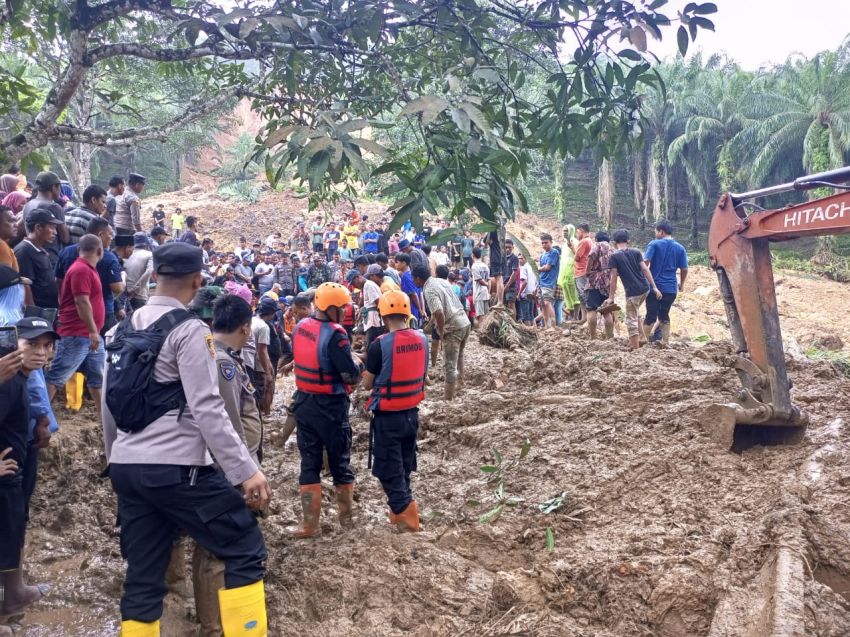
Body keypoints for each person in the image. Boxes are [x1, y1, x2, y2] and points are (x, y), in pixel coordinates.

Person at [102, 242, 270, 636]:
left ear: (155, 275)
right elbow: (207, 407)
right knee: (243, 543)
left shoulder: (119, 329)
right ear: (197, 281)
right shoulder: (191, 330)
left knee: (143, 575)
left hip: (127, 467)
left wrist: (116, 461)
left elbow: (109, 407)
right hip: (177, 468)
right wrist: (246, 471)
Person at [285, 282, 363, 538]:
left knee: (309, 463)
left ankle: (310, 526)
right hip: (331, 406)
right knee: (340, 462)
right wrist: (357, 364)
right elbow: (350, 376)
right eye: (342, 308)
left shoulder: (300, 327)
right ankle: (347, 521)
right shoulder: (336, 335)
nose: (345, 313)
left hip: (304, 403)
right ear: (332, 309)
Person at [0, 316, 58, 623]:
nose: (41, 352)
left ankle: (14, 595)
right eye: (31, 344)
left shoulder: (19, 377)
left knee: (13, 531)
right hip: (5, 473)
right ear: (12, 345)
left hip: (17, 464)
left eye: (47, 345)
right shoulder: (6, 381)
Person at [361, 290, 428, 532]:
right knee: (403, 466)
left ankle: (407, 515)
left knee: (389, 469)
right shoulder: (422, 340)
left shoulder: (380, 345)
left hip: (388, 417)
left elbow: (367, 384)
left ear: (383, 315)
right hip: (411, 413)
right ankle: (401, 513)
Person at [44, 234, 106, 414]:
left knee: (97, 379)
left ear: (79, 249)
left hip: (88, 335)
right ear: (100, 251)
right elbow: (81, 301)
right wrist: (93, 331)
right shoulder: (81, 270)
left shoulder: (85, 268)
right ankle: (36, 419)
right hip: (77, 334)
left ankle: (104, 420)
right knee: (56, 378)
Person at [56, 217, 125, 335]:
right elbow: (117, 288)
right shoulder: (108, 257)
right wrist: (123, 277)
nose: (111, 238)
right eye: (110, 234)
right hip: (100, 313)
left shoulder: (66, 252)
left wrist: (63, 302)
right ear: (100, 235)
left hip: (71, 313)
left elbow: (59, 281)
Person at [414, 265, 470, 400]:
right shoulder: (440, 281)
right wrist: (429, 326)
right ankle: (460, 383)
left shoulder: (428, 289)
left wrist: (440, 330)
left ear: (418, 278)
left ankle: (448, 397)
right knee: (459, 356)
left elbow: (439, 312)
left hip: (453, 326)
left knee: (449, 364)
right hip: (464, 321)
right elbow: (438, 311)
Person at [606, 229, 662, 349]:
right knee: (635, 312)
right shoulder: (636, 252)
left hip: (633, 292)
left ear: (614, 242)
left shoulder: (614, 256)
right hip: (645, 288)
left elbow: (613, 278)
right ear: (628, 241)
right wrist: (655, 287)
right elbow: (645, 269)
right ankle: (642, 338)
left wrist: (611, 297)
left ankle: (636, 348)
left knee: (630, 320)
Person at [643, 220, 688, 347]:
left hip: (654, 286)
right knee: (664, 314)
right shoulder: (680, 248)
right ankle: (666, 342)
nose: (655, 234)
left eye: (656, 232)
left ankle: (643, 341)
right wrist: (682, 284)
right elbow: (684, 269)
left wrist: (642, 278)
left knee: (651, 314)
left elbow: (646, 262)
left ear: (661, 232)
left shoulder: (654, 244)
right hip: (671, 288)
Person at [15, 208, 63, 309]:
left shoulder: (40, 249)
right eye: (52, 227)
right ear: (38, 227)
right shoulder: (24, 251)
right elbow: (25, 287)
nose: (55, 232)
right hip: (38, 314)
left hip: (49, 310)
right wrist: (34, 316)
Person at [21, 172, 69, 265]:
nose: (60, 191)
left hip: (31, 252)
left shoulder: (28, 204)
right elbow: (65, 238)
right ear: (54, 187)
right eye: (59, 187)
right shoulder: (54, 207)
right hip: (50, 257)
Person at [585, 231, 615, 340]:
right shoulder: (612, 250)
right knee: (606, 311)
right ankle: (609, 337)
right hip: (607, 283)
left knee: (591, 309)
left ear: (597, 239)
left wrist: (587, 271)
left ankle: (593, 337)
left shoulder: (596, 246)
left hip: (594, 282)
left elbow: (591, 257)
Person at [125, 232, 154, 311]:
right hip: (139, 295)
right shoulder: (149, 254)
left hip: (124, 295)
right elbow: (149, 271)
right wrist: (135, 289)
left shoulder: (126, 254)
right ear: (146, 244)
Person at [559, 224, 581, 321]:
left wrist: (572, 247)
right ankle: (572, 317)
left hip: (572, 270)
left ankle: (576, 317)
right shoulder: (563, 245)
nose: (564, 233)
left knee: (574, 294)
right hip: (564, 272)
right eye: (563, 231)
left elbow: (578, 256)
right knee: (567, 294)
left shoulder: (576, 242)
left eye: (566, 231)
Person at [538, 233, 559, 328]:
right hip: (541, 282)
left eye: (546, 243)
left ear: (551, 242)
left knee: (547, 302)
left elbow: (547, 267)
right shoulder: (542, 255)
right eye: (542, 243)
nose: (544, 245)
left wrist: (537, 269)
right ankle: (547, 326)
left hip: (549, 282)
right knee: (542, 304)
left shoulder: (554, 252)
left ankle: (553, 326)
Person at [573, 223, 593, 325]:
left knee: (584, 295)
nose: (576, 234)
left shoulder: (584, 241)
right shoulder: (589, 241)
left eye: (577, 232)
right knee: (582, 296)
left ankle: (588, 318)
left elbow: (577, 257)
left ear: (581, 230)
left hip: (581, 272)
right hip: (582, 271)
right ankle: (584, 318)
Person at [362, 264, 385, 349]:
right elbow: (378, 302)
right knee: (372, 344)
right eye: (379, 276)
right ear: (372, 276)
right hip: (373, 319)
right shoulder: (369, 284)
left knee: (374, 344)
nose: (381, 278)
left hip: (375, 318)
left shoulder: (373, 284)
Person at [470, 247, 490, 326]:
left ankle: (481, 332)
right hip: (485, 293)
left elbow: (479, 280)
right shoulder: (485, 265)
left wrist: (486, 285)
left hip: (478, 293)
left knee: (480, 315)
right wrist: (488, 290)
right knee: (486, 315)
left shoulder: (474, 266)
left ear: (473, 255)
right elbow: (489, 280)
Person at [502, 239, 520, 319]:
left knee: (511, 304)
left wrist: (508, 285)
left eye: (509, 247)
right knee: (503, 305)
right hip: (502, 285)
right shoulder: (502, 258)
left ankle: (513, 323)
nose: (507, 249)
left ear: (513, 247)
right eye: (506, 247)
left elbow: (515, 273)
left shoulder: (515, 258)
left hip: (511, 286)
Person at [0, 206, 18, 270]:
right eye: (10, 221)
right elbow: (7, 278)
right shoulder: (1, 246)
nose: (16, 225)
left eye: (15, 221)